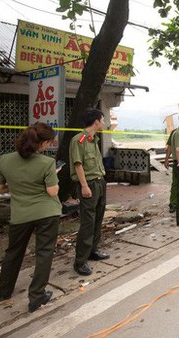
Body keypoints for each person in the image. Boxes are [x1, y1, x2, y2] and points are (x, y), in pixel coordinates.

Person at [0, 123, 60, 313]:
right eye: (48, 142)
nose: (48, 146)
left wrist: (16, 184)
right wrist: (54, 177)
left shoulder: (4, 159)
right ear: (42, 143)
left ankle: (3, 290)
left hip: (20, 214)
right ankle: (36, 297)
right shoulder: (47, 163)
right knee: (44, 253)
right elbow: (52, 191)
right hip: (46, 213)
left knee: (13, 252)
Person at [70, 108, 110, 276]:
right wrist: (84, 186)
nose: (104, 123)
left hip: (100, 182)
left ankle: (93, 250)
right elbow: (78, 165)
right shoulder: (78, 140)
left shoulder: (93, 139)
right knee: (88, 222)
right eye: (102, 119)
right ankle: (80, 261)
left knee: (98, 219)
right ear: (96, 122)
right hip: (89, 184)